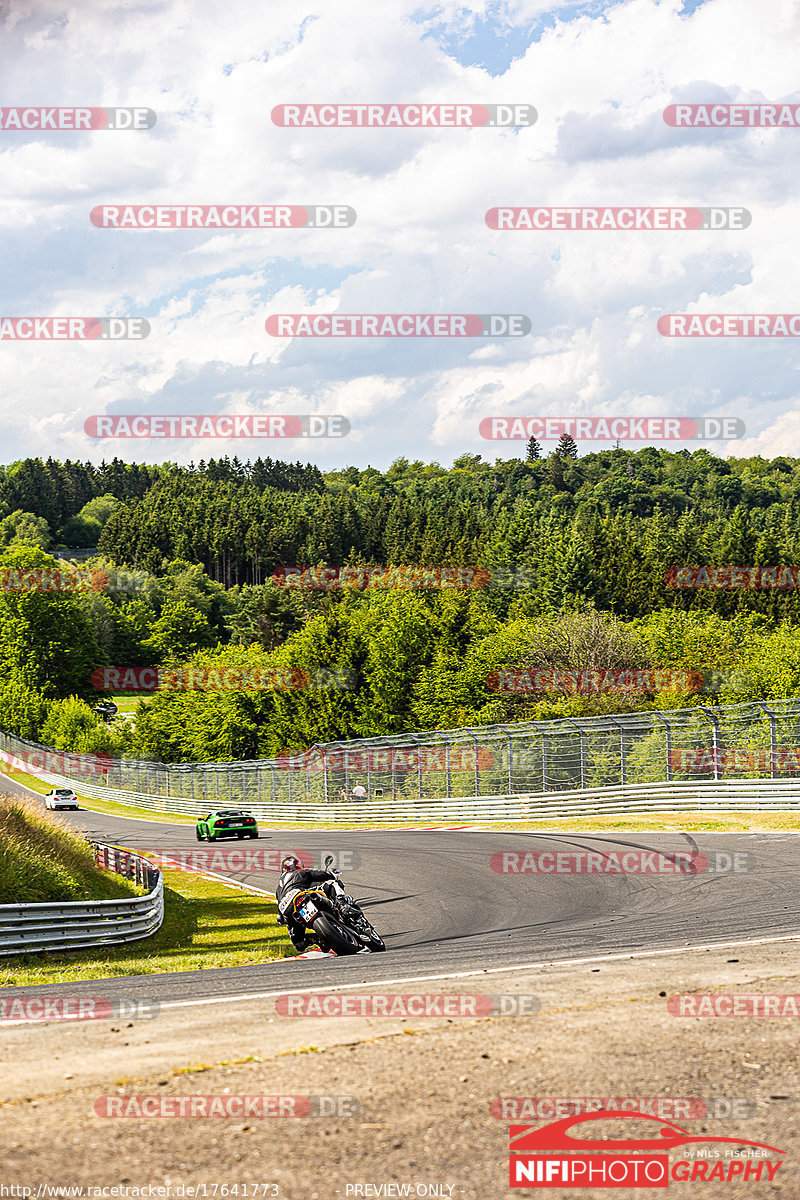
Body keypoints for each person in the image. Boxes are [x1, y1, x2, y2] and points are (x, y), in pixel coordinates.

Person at [275, 855, 369, 954]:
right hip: (300, 895)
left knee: (299, 944)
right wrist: (331, 874)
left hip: (286, 910)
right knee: (333, 884)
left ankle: (317, 939)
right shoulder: (299, 872)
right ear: (298, 865)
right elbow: (314, 874)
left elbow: (280, 919)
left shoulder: (278, 889)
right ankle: (342, 905)